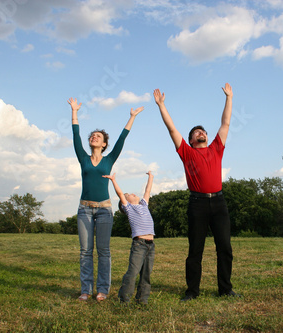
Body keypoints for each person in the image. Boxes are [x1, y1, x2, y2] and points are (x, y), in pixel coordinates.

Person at [153, 83, 240, 301]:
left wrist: (229, 97)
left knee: (225, 249)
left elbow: (226, 123)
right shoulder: (186, 152)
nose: (200, 133)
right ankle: (192, 291)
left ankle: (225, 289)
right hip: (197, 204)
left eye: (202, 131)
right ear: (191, 140)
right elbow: (172, 129)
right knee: (195, 251)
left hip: (219, 204)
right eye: (196, 132)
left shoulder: (216, 148)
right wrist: (162, 106)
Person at [68, 97, 144, 302]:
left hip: (104, 210)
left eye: (98, 136)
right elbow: (75, 134)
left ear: (104, 144)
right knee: (85, 252)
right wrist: (74, 111)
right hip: (84, 209)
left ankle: (102, 289)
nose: (94, 137)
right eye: (92, 135)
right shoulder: (83, 158)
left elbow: (122, 140)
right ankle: (85, 290)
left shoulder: (110, 159)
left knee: (103, 251)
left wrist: (132, 117)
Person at [103, 171, 155, 305]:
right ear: (124, 203)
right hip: (139, 245)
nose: (132, 194)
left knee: (146, 274)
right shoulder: (130, 209)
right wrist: (113, 180)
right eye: (128, 195)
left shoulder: (144, 204)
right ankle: (124, 300)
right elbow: (120, 194)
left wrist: (151, 177)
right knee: (133, 272)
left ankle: (142, 300)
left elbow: (148, 191)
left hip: (151, 245)